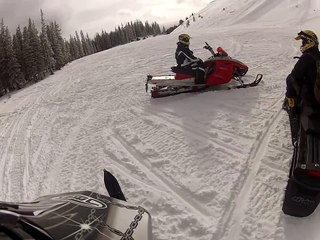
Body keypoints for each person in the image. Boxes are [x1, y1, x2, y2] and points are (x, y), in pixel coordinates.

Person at [285, 30, 320, 112]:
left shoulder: (307, 57)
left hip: (313, 101)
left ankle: (292, 106)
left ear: (310, 42)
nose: (302, 45)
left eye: (303, 42)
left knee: (290, 78)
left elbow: (294, 77)